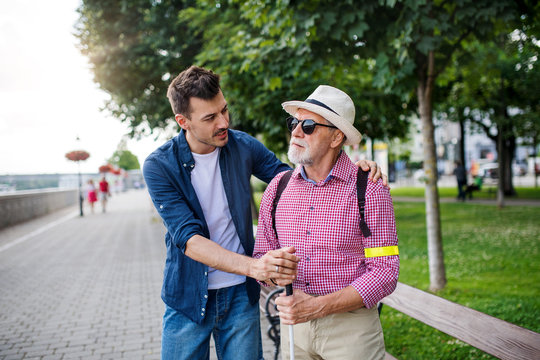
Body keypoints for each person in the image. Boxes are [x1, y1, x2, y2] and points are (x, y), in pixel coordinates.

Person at [143, 66, 385, 360]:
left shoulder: (242, 145)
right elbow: (189, 239)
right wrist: (256, 268)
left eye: (224, 110)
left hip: (239, 298)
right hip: (187, 296)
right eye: (210, 118)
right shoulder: (159, 166)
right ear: (183, 121)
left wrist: (353, 168)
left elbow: (297, 180)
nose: (224, 122)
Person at [254, 85, 399, 360]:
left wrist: (317, 307)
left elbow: (385, 272)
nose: (296, 132)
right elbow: (261, 255)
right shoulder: (277, 188)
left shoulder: (369, 189)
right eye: (294, 122)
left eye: (308, 125)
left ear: (336, 137)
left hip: (351, 329)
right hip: (294, 326)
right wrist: (273, 270)